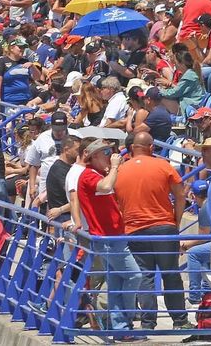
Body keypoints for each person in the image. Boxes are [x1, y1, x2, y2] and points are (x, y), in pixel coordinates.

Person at [114, 130, 187, 330]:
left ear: (131, 149)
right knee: (171, 274)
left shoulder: (120, 170)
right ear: (152, 148)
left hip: (134, 229)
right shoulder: (163, 165)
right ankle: (179, 321)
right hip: (164, 227)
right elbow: (181, 196)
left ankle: (148, 322)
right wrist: (176, 222)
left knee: (145, 276)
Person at [75, 140, 144, 334]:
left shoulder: (97, 174)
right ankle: (126, 320)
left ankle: (117, 326)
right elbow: (105, 187)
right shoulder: (89, 175)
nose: (109, 154)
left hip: (114, 237)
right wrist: (114, 167)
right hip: (108, 239)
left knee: (115, 282)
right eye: (104, 152)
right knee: (134, 275)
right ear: (93, 156)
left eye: (110, 151)